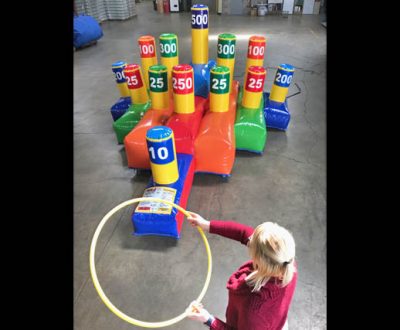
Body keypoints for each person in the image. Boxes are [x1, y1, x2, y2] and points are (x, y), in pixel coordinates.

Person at [185, 212, 297, 330]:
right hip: (275, 321)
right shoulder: (287, 263)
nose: (248, 238)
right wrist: (207, 225)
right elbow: (243, 232)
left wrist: (207, 319)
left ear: (259, 259)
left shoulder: (253, 311)